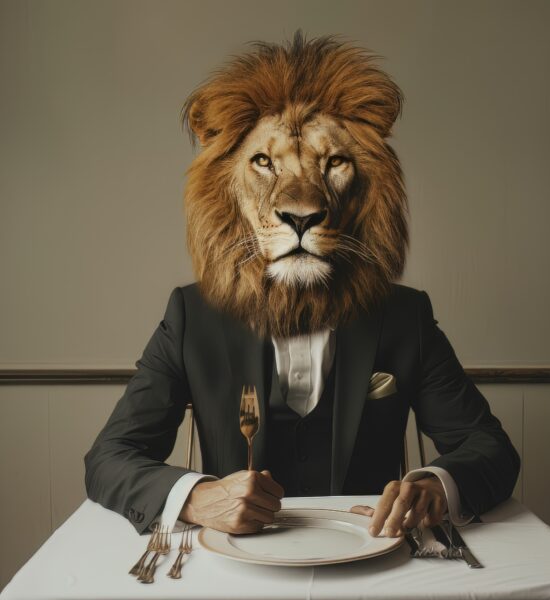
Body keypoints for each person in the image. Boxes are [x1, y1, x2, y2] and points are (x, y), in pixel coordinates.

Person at [84, 30, 520, 540]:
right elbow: (109, 459)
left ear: (363, 189)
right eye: (264, 163)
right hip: (237, 566)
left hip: (370, 557)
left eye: (333, 162)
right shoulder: (191, 317)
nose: (300, 203)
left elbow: (490, 448)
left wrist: (435, 483)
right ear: (227, 191)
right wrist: (198, 498)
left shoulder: (403, 316)